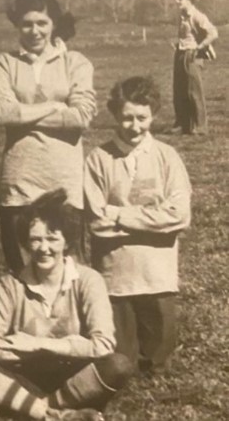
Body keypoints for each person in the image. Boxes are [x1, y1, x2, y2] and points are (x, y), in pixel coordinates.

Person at [0, 189, 133, 420]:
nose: (43, 247)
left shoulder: (89, 280)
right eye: (35, 239)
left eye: (52, 238)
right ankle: (57, 415)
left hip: (74, 374)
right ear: (26, 244)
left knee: (118, 365)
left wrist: (37, 345)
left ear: (66, 241)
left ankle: (36, 409)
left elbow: (103, 345)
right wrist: (32, 354)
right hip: (24, 374)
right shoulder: (11, 284)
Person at [85, 76, 191, 374]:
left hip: (157, 271)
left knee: (158, 357)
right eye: (126, 118)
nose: (134, 126)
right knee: (121, 360)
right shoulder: (98, 159)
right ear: (115, 116)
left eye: (142, 118)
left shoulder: (167, 157)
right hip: (116, 273)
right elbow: (96, 222)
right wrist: (154, 219)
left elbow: (179, 215)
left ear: (153, 114)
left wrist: (119, 214)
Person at [0, 0, 96, 273]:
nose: (34, 30)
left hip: (64, 181)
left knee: (70, 270)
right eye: (27, 23)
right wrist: (54, 107)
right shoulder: (4, 63)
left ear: (54, 24)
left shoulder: (76, 62)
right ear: (16, 25)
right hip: (19, 183)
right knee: (21, 269)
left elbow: (82, 115)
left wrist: (23, 114)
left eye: (42, 23)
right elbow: (1, 113)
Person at [168, 0, 218, 136]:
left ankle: (200, 127)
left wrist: (200, 47)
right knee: (179, 91)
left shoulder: (197, 16)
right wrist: (178, 45)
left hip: (193, 56)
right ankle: (182, 124)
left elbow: (213, 33)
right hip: (181, 54)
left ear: (189, 0)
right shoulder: (182, 16)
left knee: (194, 92)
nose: (177, 2)